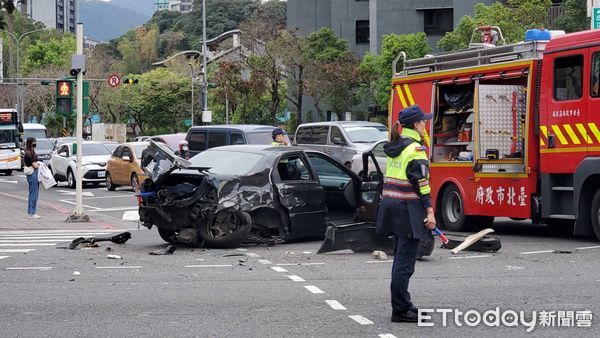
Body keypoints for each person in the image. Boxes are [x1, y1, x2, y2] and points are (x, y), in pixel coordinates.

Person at [376, 105, 435, 323]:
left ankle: (403, 304)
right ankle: (400, 310)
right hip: (408, 209)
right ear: (417, 124)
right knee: (405, 263)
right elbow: (422, 185)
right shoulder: (416, 150)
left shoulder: (395, 146)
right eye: (424, 121)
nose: (425, 124)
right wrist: (430, 211)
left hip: (392, 207)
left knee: (400, 259)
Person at [23, 137, 41, 219]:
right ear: (30, 142)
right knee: (34, 193)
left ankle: (31, 212)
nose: (35, 143)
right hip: (32, 173)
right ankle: (32, 213)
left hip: (33, 173)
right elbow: (34, 164)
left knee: (33, 193)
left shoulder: (31, 151)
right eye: (34, 142)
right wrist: (38, 164)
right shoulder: (28, 153)